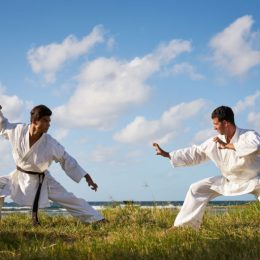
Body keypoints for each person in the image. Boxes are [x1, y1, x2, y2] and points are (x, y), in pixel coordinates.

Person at [153, 105, 260, 230]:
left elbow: (256, 146)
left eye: (215, 124)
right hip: (230, 180)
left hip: (254, 180)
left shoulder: (248, 135)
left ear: (225, 123)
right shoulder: (215, 142)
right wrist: (167, 154)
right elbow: (196, 153)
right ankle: (184, 227)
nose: (214, 128)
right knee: (197, 189)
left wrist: (228, 145)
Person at [0, 104, 104, 226]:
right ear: (34, 121)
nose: (48, 124)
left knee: (69, 199)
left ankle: (97, 219)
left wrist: (87, 177)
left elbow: (66, 159)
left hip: (42, 180)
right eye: (45, 121)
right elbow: (3, 124)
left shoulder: (50, 143)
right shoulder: (18, 130)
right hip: (18, 176)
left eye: (49, 121)